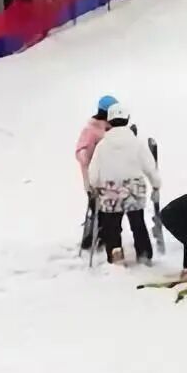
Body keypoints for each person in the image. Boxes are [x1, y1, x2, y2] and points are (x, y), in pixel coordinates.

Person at [86, 103, 161, 264]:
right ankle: (144, 254)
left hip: (110, 189)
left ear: (109, 121)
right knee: (137, 223)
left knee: (112, 226)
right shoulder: (137, 143)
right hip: (133, 188)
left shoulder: (102, 145)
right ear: (127, 119)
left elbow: (93, 171)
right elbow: (149, 166)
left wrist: (94, 186)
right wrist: (156, 184)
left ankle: (116, 255)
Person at [74, 95, 119, 254]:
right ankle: (91, 240)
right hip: (95, 181)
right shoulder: (91, 129)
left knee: (109, 213)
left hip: (110, 180)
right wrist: (90, 158)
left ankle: (105, 238)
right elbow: (81, 152)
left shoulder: (111, 129)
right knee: (97, 211)